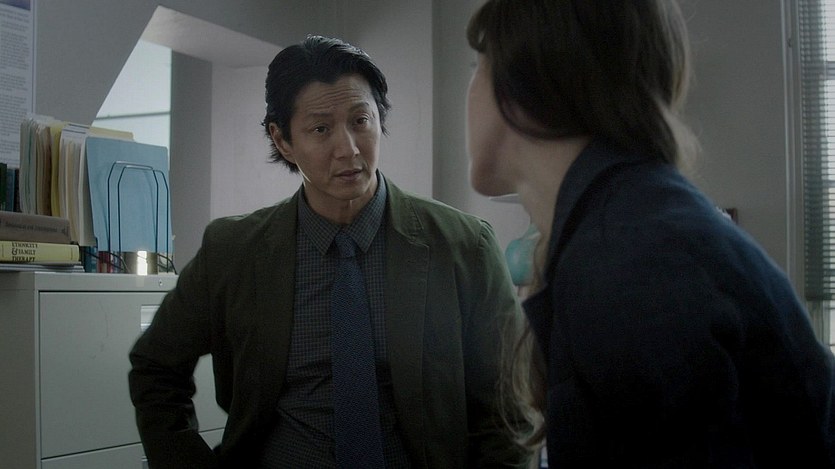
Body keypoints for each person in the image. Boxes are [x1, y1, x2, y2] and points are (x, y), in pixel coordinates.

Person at [465, 0, 835, 467]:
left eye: (478, 66)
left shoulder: (627, 264)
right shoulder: (634, 227)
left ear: (528, 82)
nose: (469, 92)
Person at [130, 35, 528, 468]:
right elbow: (156, 367)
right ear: (283, 140)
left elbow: (506, 412)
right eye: (321, 129)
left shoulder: (463, 248)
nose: (348, 148)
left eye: (360, 120)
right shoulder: (233, 251)